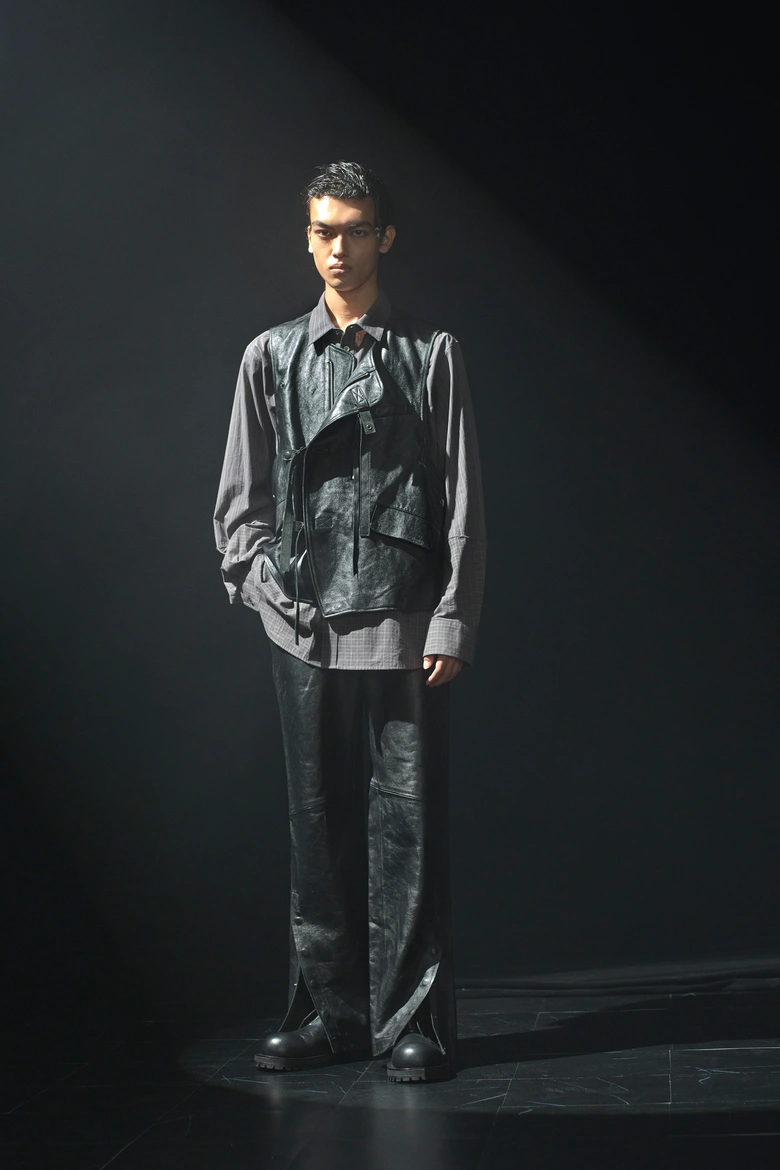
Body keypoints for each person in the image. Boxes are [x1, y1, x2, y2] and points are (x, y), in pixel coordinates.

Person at [213, 161, 485, 1083]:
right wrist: (263, 586)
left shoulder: (430, 352)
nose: (339, 248)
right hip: (304, 625)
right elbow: (238, 501)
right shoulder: (269, 357)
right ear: (307, 238)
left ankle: (418, 1023)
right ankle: (328, 1015)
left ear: (385, 237)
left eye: (356, 229)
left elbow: (462, 498)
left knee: (407, 826)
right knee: (315, 822)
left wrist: (452, 621)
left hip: (403, 623)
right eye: (324, 230)